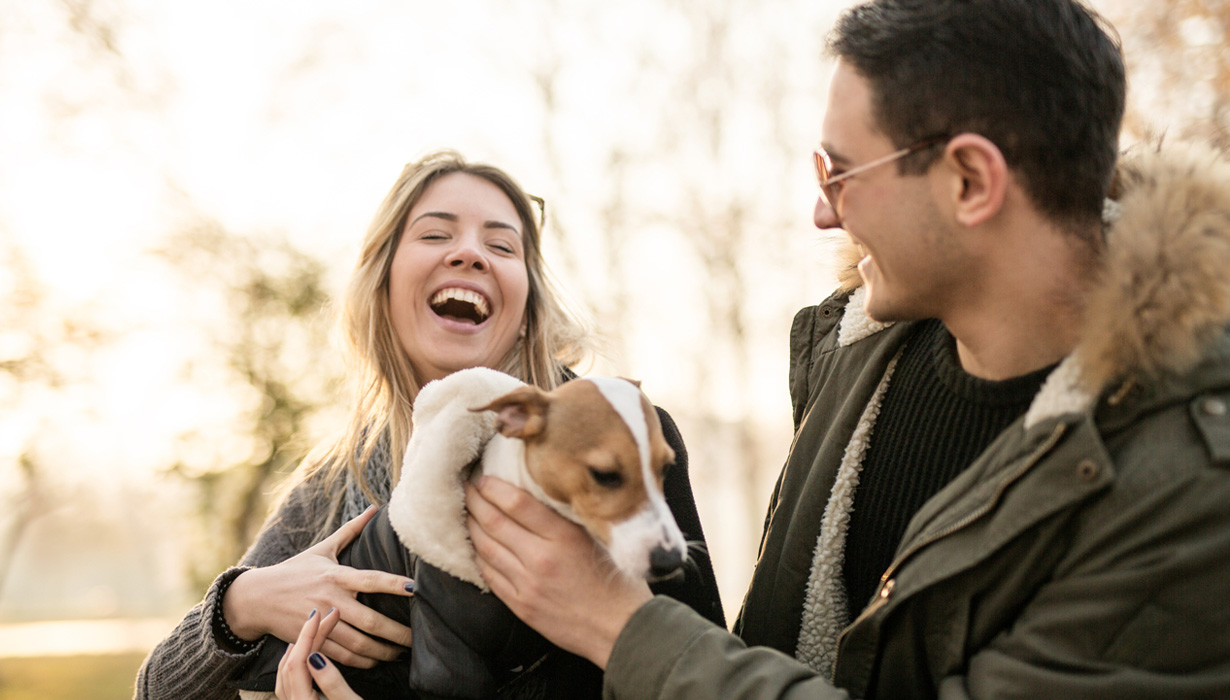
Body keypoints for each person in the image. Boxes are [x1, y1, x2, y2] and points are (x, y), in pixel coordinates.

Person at [458, 1, 1230, 698]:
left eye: (840, 170)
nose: (821, 212)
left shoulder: (1191, 488)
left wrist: (622, 631)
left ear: (969, 181)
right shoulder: (855, 355)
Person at [134, 150, 725, 700]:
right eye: (436, 234)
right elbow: (155, 690)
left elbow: (698, 677)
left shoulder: (618, 439)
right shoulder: (337, 477)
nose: (468, 254)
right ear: (383, 282)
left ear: (527, 303)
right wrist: (241, 606)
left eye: (502, 245)